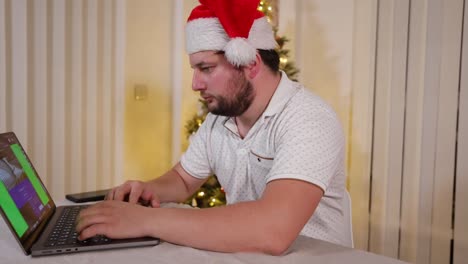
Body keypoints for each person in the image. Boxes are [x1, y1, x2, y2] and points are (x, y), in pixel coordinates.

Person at [76, 0, 347, 255]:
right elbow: (183, 180)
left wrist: (146, 220)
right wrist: (147, 190)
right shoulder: (220, 119)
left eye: (206, 68)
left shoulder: (308, 118)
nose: (196, 84)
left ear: (250, 64)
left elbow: (272, 231)